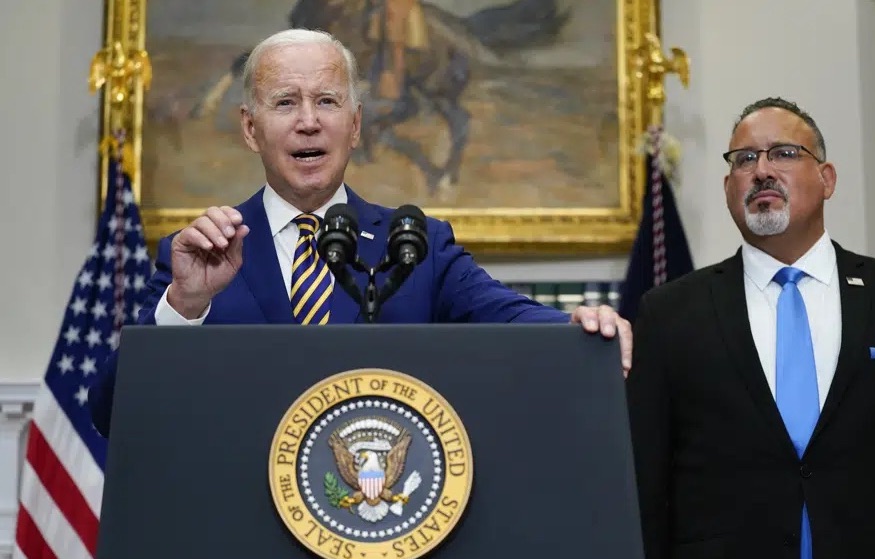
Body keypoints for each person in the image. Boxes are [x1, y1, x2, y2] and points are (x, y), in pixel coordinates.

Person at [88, 29, 631, 438]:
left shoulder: (417, 244)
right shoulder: (201, 254)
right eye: (285, 102)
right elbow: (112, 412)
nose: (308, 121)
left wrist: (579, 325)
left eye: (327, 101)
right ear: (250, 129)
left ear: (355, 124)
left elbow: (513, 318)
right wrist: (183, 304)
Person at [626, 97, 875, 558]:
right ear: (727, 188)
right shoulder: (669, 313)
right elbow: (644, 487)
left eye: (783, 153)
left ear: (827, 179)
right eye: (744, 159)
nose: (761, 170)